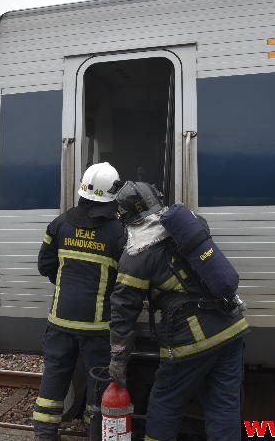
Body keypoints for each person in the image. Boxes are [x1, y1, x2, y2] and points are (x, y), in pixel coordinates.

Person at [108, 181, 250, 441]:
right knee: (224, 405)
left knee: (166, 401)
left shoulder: (136, 254)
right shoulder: (190, 223)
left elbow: (123, 309)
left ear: (125, 216)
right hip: (231, 326)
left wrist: (118, 357)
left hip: (192, 339)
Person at [33, 162, 126, 441]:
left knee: (55, 375)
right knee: (99, 382)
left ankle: (45, 432)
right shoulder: (117, 232)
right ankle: (95, 432)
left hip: (60, 320)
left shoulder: (60, 223)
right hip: (97, 327)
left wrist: (66, 284)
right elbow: (126, 279)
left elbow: (45, 265)